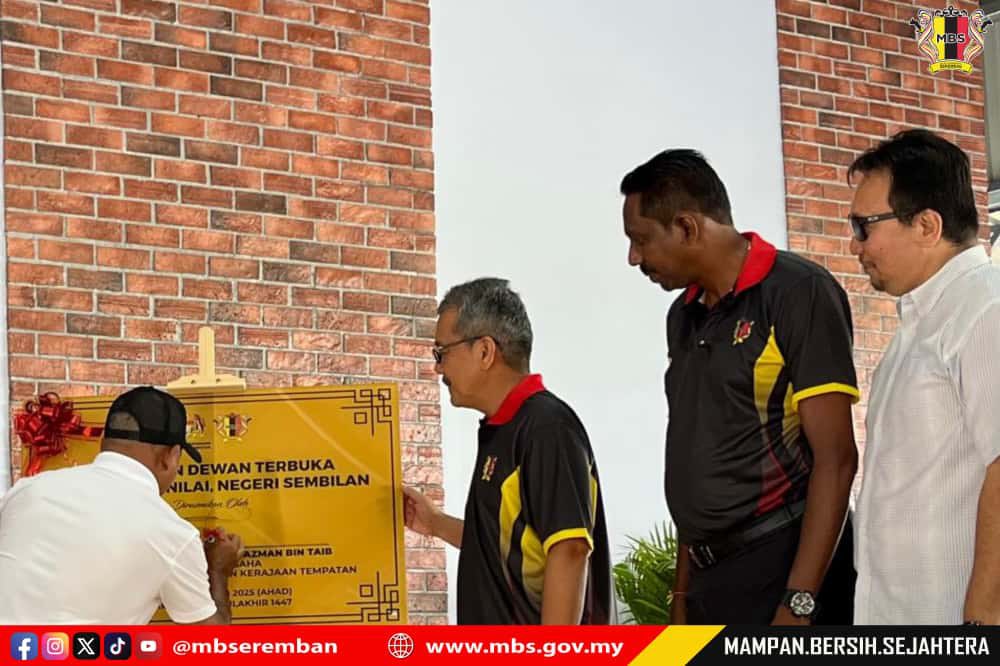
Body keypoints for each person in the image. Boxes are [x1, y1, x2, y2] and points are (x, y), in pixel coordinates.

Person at [621, 149, 859, 625]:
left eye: (640, 240)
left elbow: (837, 460)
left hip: (782, 566)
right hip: (709, 578)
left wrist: (799, 602)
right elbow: (697, 455)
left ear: (687, 227)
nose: (633, 258)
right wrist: (682, 593)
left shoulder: (798, 292)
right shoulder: (682, 316)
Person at [848, 129, 1000, 625]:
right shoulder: (919, 325)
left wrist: (982, 621)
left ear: (927, 226)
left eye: (863, 226)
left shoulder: (986, 310)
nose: (855, 245)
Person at [402, 278, 612, 624]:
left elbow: (569, 550)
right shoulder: (503, 429)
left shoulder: (547, 428)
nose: (438, 367)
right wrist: (436, 524)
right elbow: (508, 545)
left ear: (485, 351)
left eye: (442, 353)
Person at [0, 386, 243, 624]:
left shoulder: (26, 491)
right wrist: (218, 571)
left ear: (103, 442)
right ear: (170, 457)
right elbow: (212, 641)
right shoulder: (172, 533)